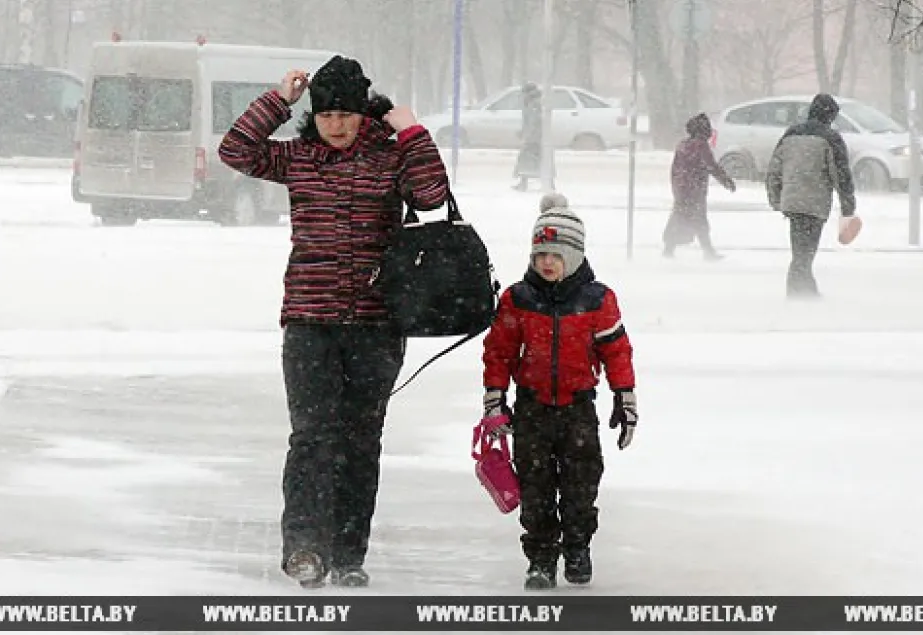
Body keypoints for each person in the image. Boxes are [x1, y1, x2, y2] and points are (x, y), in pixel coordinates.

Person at [218, 55, 450, 588]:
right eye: (326, 115)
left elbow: (433, 195)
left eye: (347, 114)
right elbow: (235, 151)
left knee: (361, 440)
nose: (337, 125)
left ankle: (348, 553)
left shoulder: (389, 159)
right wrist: (279, 101)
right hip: (309, 323)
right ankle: (304, 547)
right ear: (314, 116)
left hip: (376, 325)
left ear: (365, 114)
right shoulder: (299, 159)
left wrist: (411, 131)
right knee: (312, 437)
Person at [480, 193, 637, 590]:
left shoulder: (597, 299)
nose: (546, 263)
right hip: (531, 409)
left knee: (581, 483)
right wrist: (495, 398)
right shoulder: (518, 299)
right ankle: (541, 558)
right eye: (539, 255)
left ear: (575, 256)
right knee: (536, 487)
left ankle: (578, 545)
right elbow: (498, 352)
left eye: (555, 255)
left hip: (578, 409)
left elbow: (616, 350)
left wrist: (624, 395)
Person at [765, 93, 857, 298]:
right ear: (830, 115)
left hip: (791, 201)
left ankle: (805, 291)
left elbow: (774, 169)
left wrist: (775, 197)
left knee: (800, 251)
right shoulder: (830, 138)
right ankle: (799, 295)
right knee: (805, 254)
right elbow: (841, 175)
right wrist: (847, 205)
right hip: (814, 203)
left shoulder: (790, 134)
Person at [663, 113, 735, 260]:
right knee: (699, 220)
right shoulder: (701, 146)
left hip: (682, 189)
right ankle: (707, 251)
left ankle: (669, 248)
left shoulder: (682, 145)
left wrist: (677, 187)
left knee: (679, 217)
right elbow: (711, 166)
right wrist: (726, 180)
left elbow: (675, 169)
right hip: (695, 190)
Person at [513, 83, 542, 192]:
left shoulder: (534, 104)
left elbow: (533, 122)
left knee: (527, 160)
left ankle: (523, 183)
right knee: (538, 160)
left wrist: (527, 135)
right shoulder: (532, 103)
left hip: (534, 138)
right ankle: (523, 182)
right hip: (535, 137)